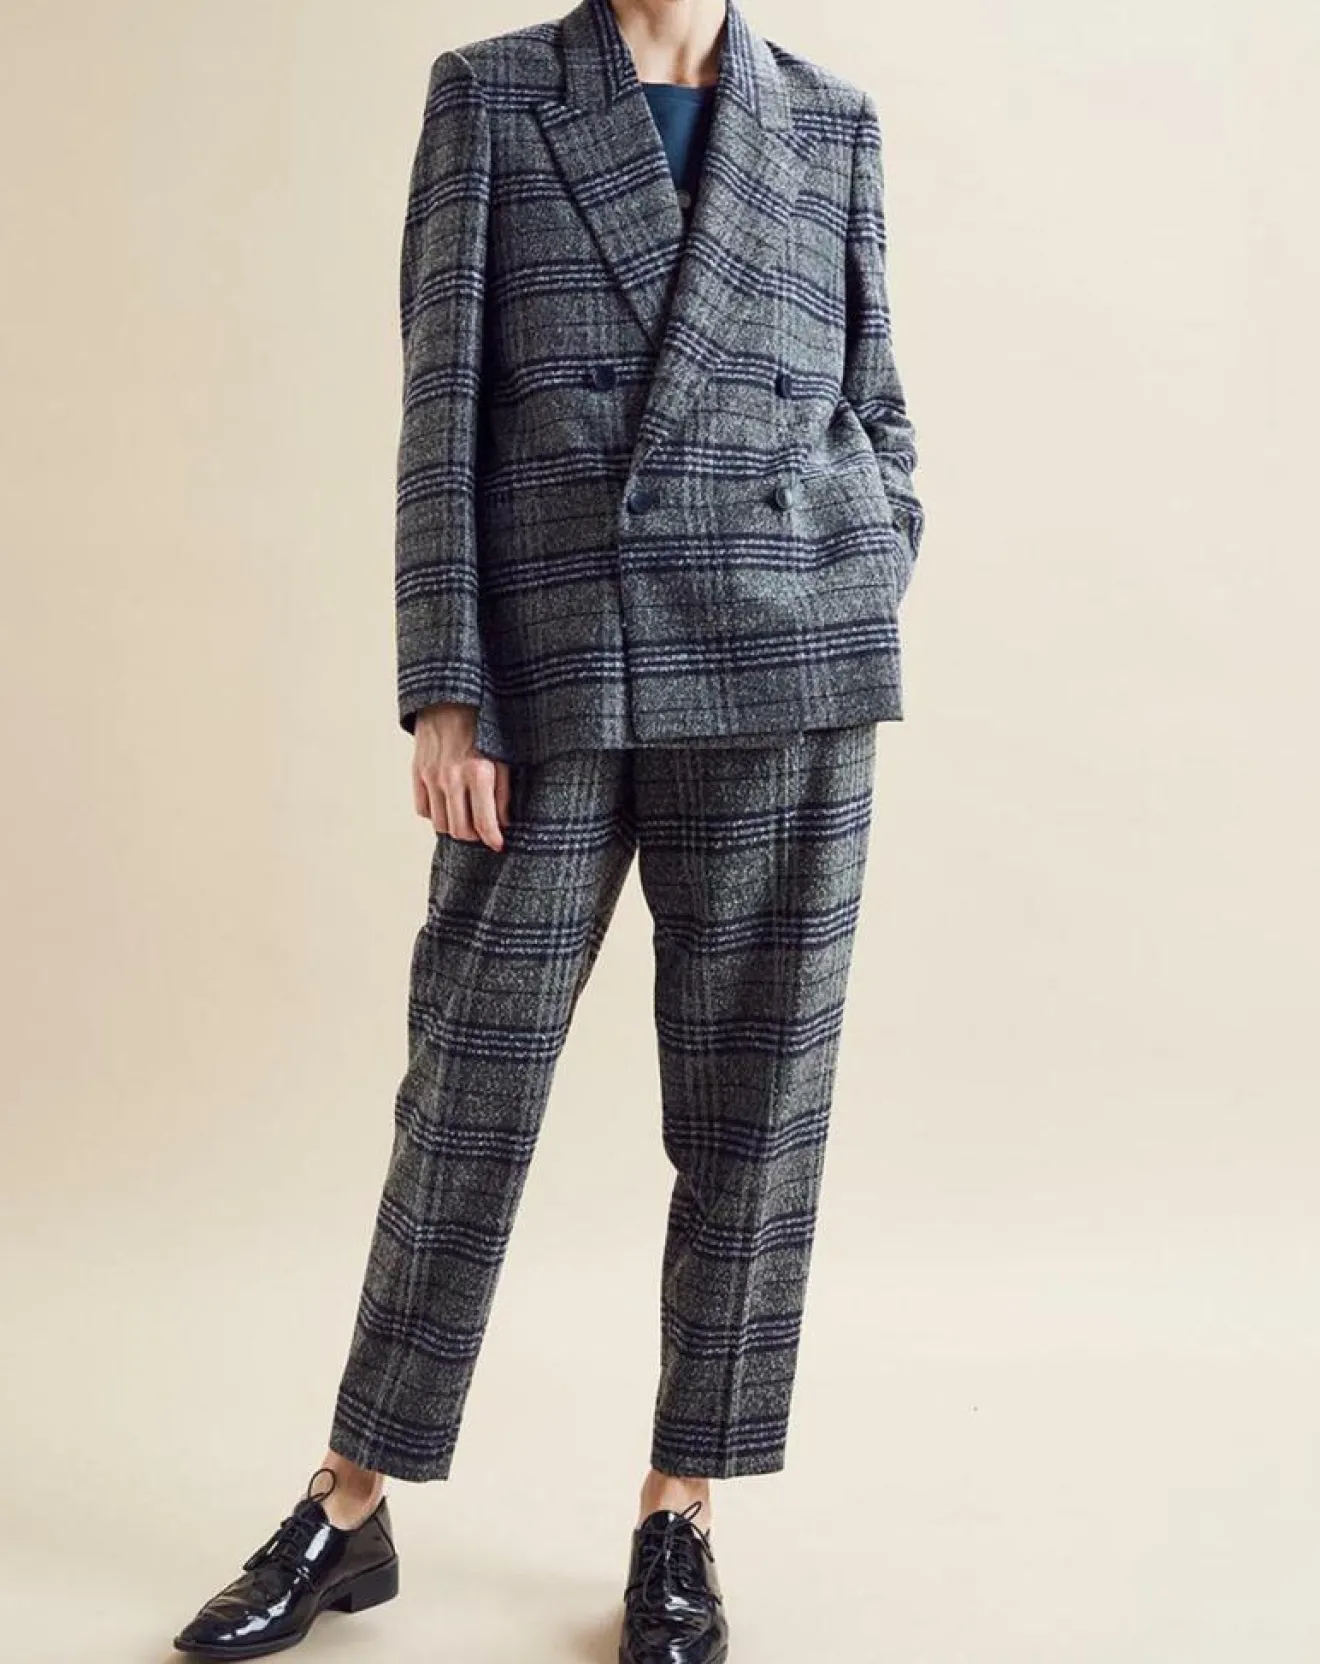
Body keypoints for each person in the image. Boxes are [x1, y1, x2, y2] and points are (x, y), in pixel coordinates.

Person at [171, 0, 924, 1658]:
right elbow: (439, 410)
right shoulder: (494, 94)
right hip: (553, 663)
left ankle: (680, 1510)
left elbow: (877, 397)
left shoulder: (835, 120)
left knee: (754, 1107)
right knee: (469, 1087)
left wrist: (867, 561)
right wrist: (448, 688)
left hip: (788, 659)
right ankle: (350, 1501)